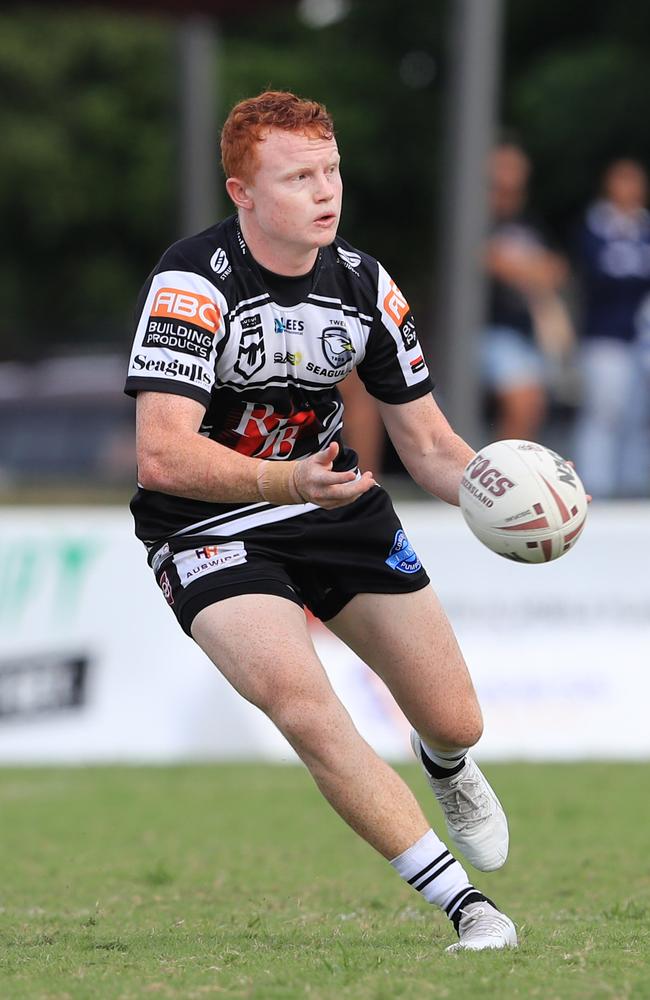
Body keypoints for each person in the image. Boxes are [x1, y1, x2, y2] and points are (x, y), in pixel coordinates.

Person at [125, 91, 517, 952]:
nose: (324, 190)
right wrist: (283, 481)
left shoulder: (367, 285)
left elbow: (432, 446)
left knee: (455, 719)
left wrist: (516, 493)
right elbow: (160, 454)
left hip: (332, 505)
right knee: (306, 706)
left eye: (330, 169)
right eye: (298, 176)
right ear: (243, 193)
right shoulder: (193, 282)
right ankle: (468, 907)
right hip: (206, 526)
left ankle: (445, 763)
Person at [482, 142, 572, 441]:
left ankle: (510, 474)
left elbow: (559, 269)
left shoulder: (529, 220)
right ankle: (499, 477)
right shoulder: (478, 217)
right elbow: (492, 262)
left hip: (529, 333)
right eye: (505, 166)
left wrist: (521, 268)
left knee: (534, 406)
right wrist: (533, 270)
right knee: (523, 401)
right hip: (486, 328)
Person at [573, 158, 650, 498]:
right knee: (604, 411)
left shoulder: (643, 228)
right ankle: (596, 487)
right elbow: (598, 277)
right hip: (604, 336)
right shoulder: (595, 226)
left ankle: (633, 486)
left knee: (637, 417)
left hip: (642, 337)